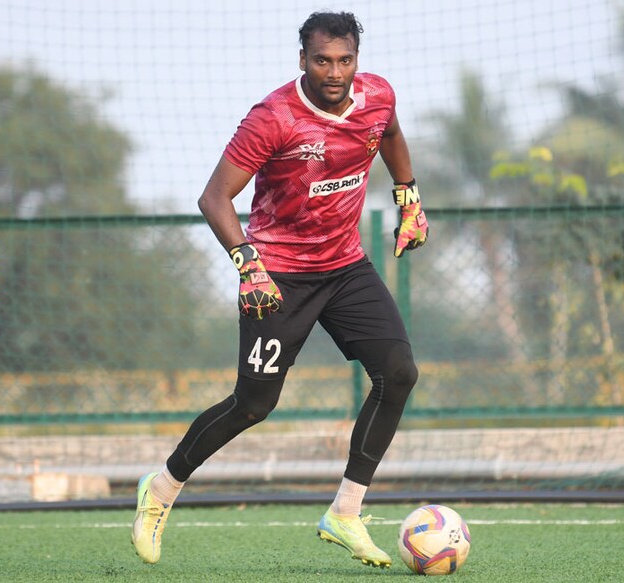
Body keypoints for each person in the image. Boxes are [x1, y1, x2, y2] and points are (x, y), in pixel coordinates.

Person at [132, 11, 428, 569]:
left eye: (344, 60)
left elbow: (388, 132)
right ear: (302, 60)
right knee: (254, 404)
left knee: (400, 373)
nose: (334, 72)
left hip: (345, 267)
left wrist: (409, 197)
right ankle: (162, 489)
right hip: (278, 275)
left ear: (357, 60)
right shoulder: (273, 118)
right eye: (322, 60)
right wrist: (248, 264)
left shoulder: (378, 96)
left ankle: (345, 512)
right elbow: (214, 198)